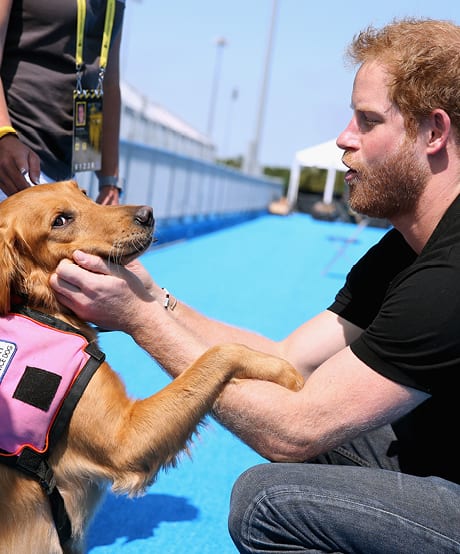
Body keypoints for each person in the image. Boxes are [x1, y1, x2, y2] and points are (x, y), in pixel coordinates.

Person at [50, 18, 460, 554]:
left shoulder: (447, 278)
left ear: (435, 132)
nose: (344, 138)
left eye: (367, 120)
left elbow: (293, 431)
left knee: (266, 502)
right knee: (306, 399)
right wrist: (151, 298)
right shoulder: (406, 246)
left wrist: (137, 319)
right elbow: (289, 360)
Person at [0, 0, 125, 205]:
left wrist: (109, 180)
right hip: (14, 161)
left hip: (64, 177)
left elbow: (109, 83)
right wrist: (3, 135)